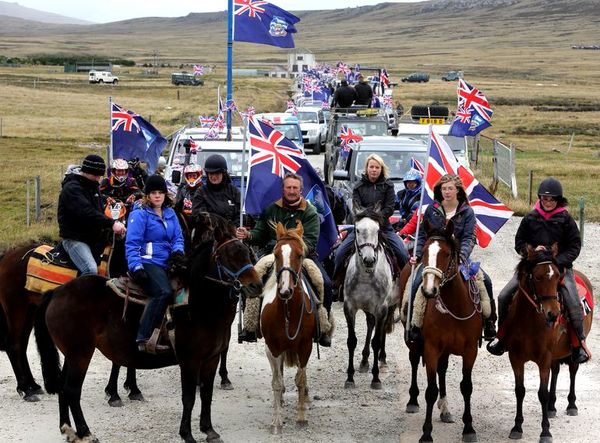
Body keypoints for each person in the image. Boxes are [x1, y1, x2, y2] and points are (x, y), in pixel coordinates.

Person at [487, 178, 589, 363]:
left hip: (559, 268)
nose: (547, 202)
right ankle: (502, 338)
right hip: (533, 268)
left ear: (558, 200)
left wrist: (558, 260)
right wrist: (530, 252)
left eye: (551, 199)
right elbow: (519, 242)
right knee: (504, 296)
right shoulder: (530, 217)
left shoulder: (566, 219)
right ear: (540, 198)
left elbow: (575, 246)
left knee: (573, 302)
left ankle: (578, 344)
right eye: (544, 198)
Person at [235, 173, 333, 346]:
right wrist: (248, 234)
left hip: (302, 256)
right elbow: (260, 233)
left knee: (324, 281)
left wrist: (295, 252)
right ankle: (250, 325)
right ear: (283, 189)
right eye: (288, 187)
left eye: (295, 188)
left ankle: (322, 326)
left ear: (301, 190)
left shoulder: (310, 212)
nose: (292, 191)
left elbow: (310, 241)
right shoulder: (271, 209)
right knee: (252, 278)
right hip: (274, 254)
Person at [408, 174, 496, 340]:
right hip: (434, 259)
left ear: (457, 190)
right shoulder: (431, 209)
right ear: (439, 190)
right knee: (416, 284)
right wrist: (418, 255)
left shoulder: (467, 212)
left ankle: (489, 322)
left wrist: (462, 256)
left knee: (486, 282)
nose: (447, 192)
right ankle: (415, 324)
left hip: (458, 258)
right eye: (443, 188)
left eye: (450, 188)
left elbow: (470, 237)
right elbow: (421, 236)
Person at [125, 175, 185, 353]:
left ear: (166, 194)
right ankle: (143, 337)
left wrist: (178, 253)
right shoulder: (139, 214)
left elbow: (178, 238)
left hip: (169, 262)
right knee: (163, 292)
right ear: (147, 195)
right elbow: (132, 243)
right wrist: (136, 267)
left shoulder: (170, 213)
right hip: (148, 262)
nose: (157, 196)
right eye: (153, 193)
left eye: (161, 192)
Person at [333, 154, 409, 290]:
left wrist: (376, 217)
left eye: (377, 167)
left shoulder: (388, 185)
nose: (374, 170)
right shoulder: (358, 186)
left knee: (402, 253)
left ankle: (405, 284)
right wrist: (368, 218)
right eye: (371, 167)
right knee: (340, 253)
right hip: (361, 229)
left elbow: (390, 208)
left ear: (381, 169)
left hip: (384, 227)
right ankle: (337, 284)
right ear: (367, 168)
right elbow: (356, 207)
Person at [58, 154, 127, 275]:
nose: (98, 179)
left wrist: (106, 201)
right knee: (90, 270)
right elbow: (87, 212)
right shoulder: (72, 189)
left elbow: (97, 208)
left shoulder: (92, 186)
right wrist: (112, 224)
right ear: (86, 172)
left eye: (100, 176)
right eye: (95, 175)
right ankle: (77, 294)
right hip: (75, 239)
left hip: (92, 238)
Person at [191, 154, 240, 226]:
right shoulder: (201, 192)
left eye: (217, 173)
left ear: (223, 174)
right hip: (209, 232)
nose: (213, 177)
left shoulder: (234, 191)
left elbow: (241, 214)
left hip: (232, 233)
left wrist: (233, 228)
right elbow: (198, 215)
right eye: (211, 173)